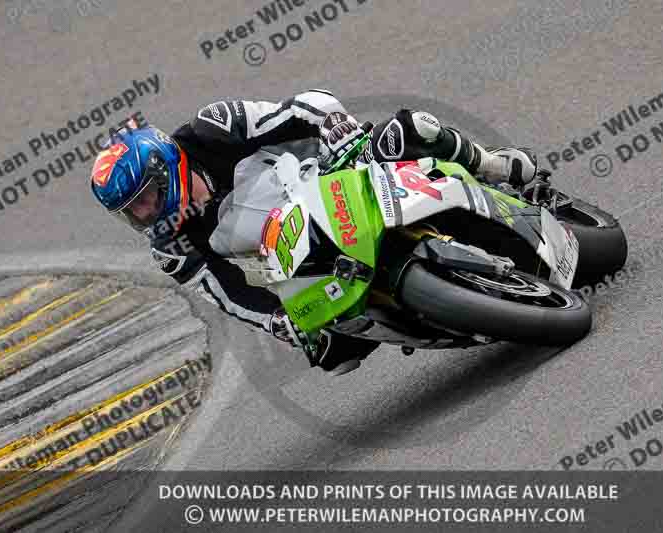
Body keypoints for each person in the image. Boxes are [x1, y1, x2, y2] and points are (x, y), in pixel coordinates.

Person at [89, 91, 539, 375]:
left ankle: (495, 165)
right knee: (333, 355)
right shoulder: (171, 246)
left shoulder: (214, 127)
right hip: (300, 253)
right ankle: (432, 315)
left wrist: (335, 128)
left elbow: (302, 106)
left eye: (145, 199)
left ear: (164, 166)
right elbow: (229, 296)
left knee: (408, 130)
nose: (144, 214)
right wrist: (278, 321)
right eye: (131, 212)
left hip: (335, 172)